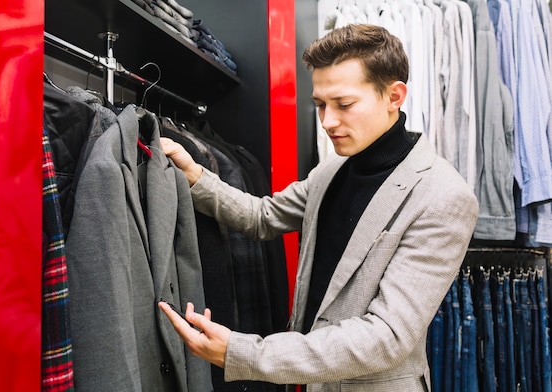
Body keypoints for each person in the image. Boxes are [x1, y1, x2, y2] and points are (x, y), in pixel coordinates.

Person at [158, 23, 479, 391]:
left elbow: (387, 336)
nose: (327, 122)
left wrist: (242, 352)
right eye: (320, 105)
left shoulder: (442, 196)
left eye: (344, 105)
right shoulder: (333, 168)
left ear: (394, 96)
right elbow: (262, 217)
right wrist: (196, 175)